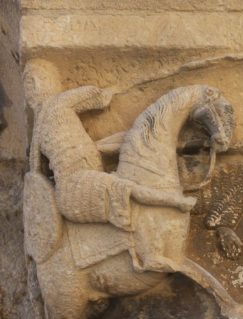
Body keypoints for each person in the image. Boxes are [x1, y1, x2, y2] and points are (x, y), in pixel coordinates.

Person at [24, 59, 195, 269]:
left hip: (77, 181)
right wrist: (115, 88)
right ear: (49, 83)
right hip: (78, 185)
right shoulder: (58, 104)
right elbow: (97, 97)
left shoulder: (39, 130)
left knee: (134, 142)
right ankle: (155, 245)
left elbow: (38, 173)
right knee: (126, 189)